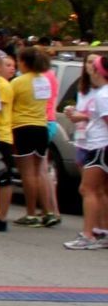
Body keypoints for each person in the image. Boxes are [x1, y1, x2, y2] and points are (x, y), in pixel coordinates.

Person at [6, 44, 60, 227]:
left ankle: (31, 213)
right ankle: (48, 211)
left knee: (27, 173)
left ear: (24, 62)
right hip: (41, 127)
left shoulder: (18, 82)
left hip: (23, 127)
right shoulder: (43, 80)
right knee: (40, 172)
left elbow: (9, 104)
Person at [61, 53, 108, 252]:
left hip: (99, 146)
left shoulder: (103, 94)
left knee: (87, 189)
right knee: (100, 190)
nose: (91, 71)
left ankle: (88, 234)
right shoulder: (102, 93)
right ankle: (102, 232)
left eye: (94, 67)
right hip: (98, 145)